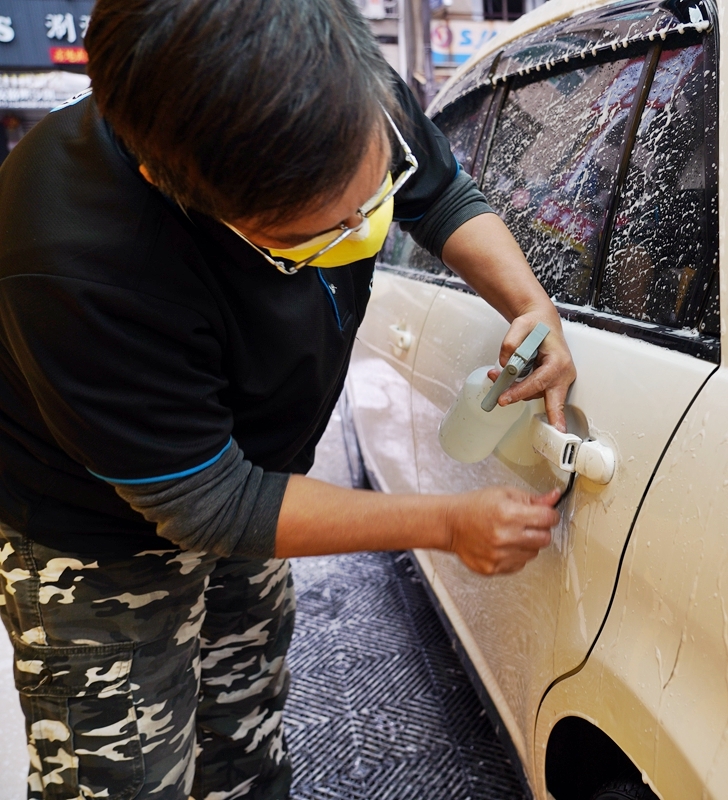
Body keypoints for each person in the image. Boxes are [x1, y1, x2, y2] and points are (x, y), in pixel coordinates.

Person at [0, 0, 576, 797]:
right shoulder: (70, 258)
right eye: (324, 232)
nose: (368, 226)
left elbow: (442, 197)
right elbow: (211, 503)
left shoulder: (341, 88)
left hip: (265, 480)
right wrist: (443, 522)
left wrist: (529, 304)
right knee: (124, 778)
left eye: (375, 194)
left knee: (241, 733)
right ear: (172, 185)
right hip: (97, 533)